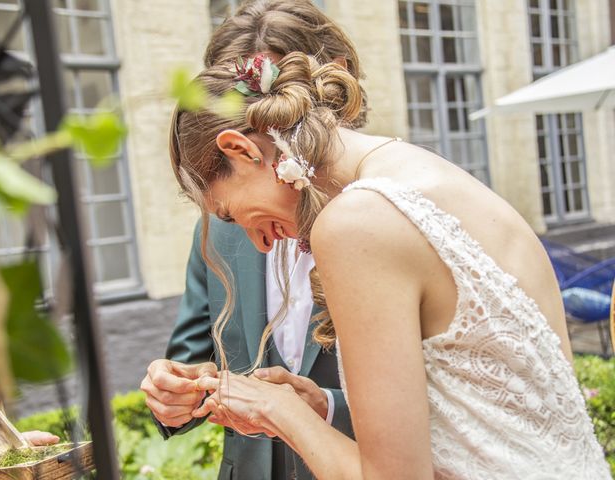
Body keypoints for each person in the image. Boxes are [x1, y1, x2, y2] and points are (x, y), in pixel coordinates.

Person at [167, 21, 612, 480]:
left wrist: (278, 409)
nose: (257, 240)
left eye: (227, 212)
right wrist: (319, 405)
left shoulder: (356, 221)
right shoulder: (430, 178)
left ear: (241, 150)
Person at [141, 1, 361, 478]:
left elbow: (444, 398)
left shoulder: (384, 215)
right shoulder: (221, 224)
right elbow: (196, 356)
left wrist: (323, 407)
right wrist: (174, 393)